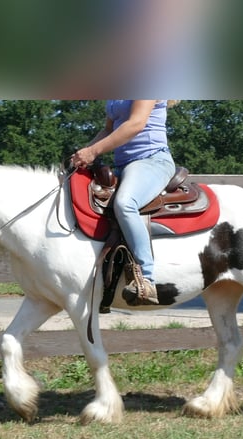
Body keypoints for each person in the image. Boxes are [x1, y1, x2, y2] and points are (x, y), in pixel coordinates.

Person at [71, 100, 176, 305]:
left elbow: (136, 124)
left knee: (125, 203)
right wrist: (84, 153)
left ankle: (146, 279)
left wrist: (93, 152)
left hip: (151, 160)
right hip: (123, 165)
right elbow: (108, 130)